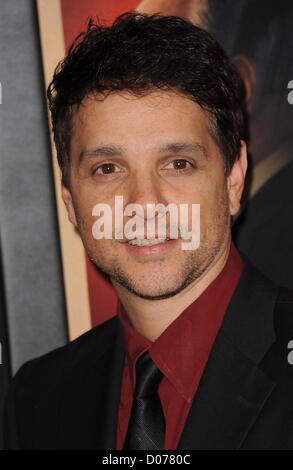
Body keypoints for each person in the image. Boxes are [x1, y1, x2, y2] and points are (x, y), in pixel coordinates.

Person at [3, 12, 293, 450]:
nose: (143, 203)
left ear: (233, 181)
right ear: (72, 204)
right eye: (108, 168)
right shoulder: (37, 397)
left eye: (178, 164)